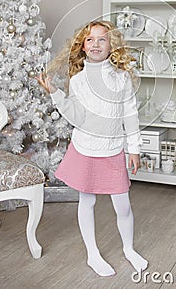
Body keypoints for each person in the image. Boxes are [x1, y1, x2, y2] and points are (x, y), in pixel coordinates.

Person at [37, 20, 148, 277]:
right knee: (86, 201)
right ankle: (92, 253)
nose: (96, 43)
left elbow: (130, 114)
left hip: (112, 151)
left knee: (123, 205)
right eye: (90, 39)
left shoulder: (121, 79)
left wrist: (134, 148)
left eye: (102, 39)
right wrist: (55, 92)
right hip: (86, 149)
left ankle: (129, 249)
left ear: (112, 46)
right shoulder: (78, 81)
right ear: (83, 47)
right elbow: (77, 116)